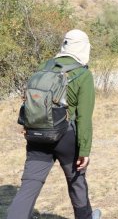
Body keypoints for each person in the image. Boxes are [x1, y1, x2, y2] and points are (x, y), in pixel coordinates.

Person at [8, 29, 102, 219]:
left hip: (37, 135)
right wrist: (84, 150)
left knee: (30, 183)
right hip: (66, 137)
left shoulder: (45, 66)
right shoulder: (83, 74)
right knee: (76, 181)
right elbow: (84, 117)